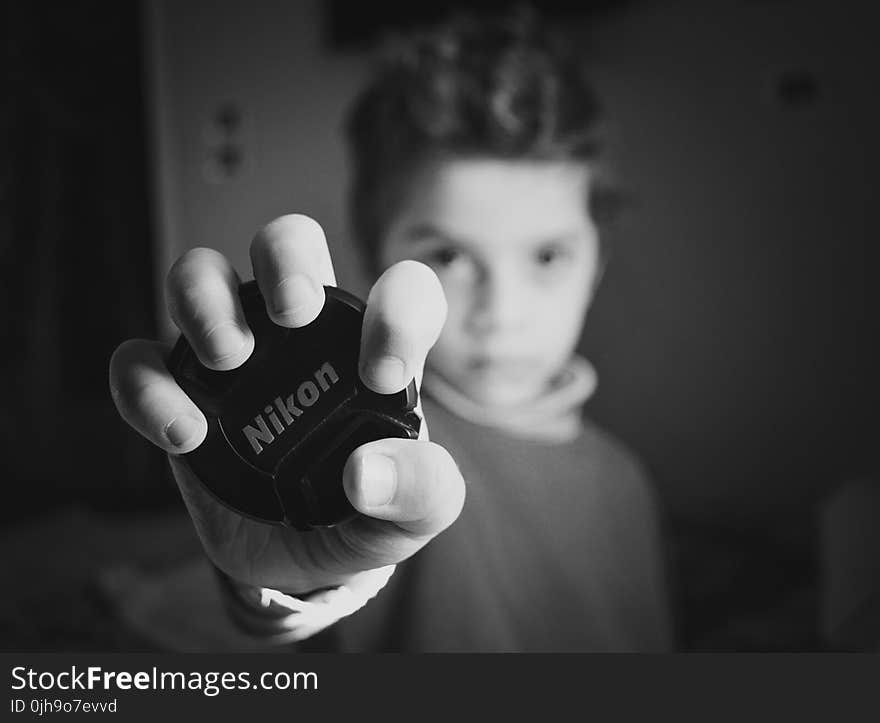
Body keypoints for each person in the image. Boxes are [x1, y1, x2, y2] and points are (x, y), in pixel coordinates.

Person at [109, 9, 673, 651]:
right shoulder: (375, 461)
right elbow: (299, 607)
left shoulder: (626, 482)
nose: (502, 310)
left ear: (596, 263)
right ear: (380, 260)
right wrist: (283, 590)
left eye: (547, 256)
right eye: (450, 257)